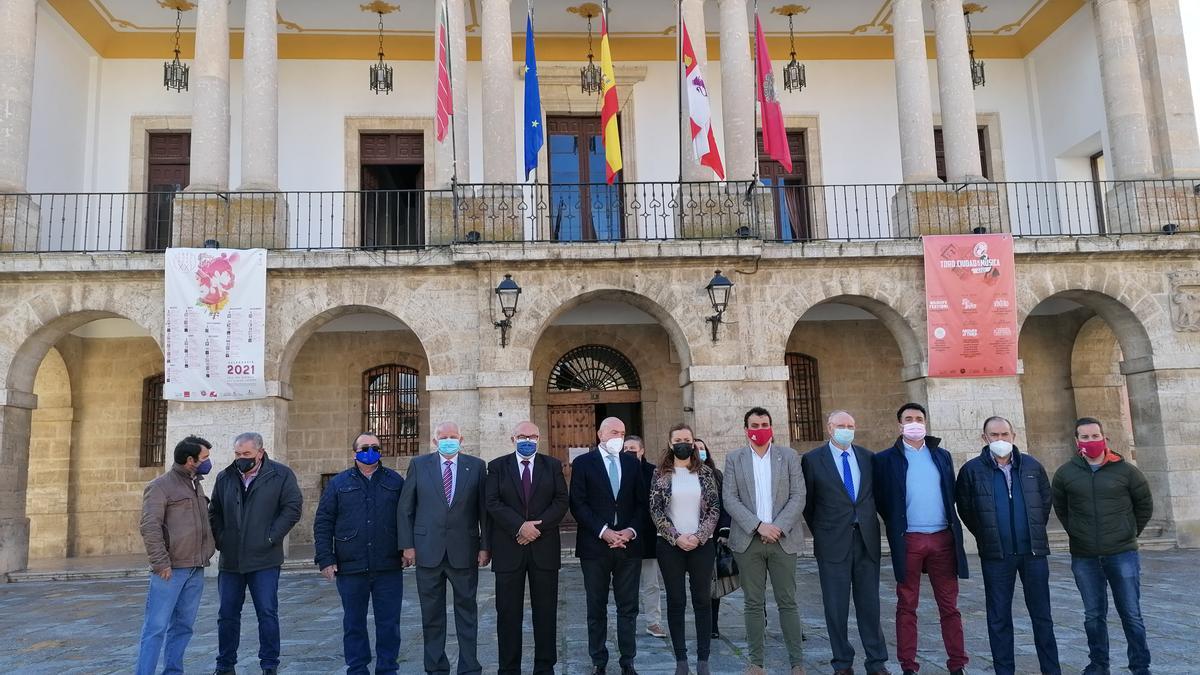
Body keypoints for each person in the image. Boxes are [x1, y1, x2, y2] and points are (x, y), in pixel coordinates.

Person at [955, 416, 1060, 675]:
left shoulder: (1032, 467)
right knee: (999, 617)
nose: (1000, 439)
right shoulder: (972, 470)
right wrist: (987, 535)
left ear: (1014, 436)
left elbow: (1044, 503)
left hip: (1033, 554)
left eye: (1004, 434)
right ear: (984, 438)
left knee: (1042, 616)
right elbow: (966, 509)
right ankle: (1004, 670)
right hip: (997, 555)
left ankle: (1051, 669)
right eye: (994, 435)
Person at [1052, 417, 1153, 675]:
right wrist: (1077, 533)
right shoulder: (1066, 473)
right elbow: (1062, 509)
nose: (1091, 441)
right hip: (1084, 556)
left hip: (1122, 554)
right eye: (1084, 437)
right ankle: (1098, 665)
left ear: (1104, 438)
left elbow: (1144, 505)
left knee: (1131, 614)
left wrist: (1128, 533)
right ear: (1077, 442)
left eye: (1095, 436)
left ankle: (1140, 666)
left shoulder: (1126, 471)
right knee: (1093, 616)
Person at [873, 403, 969, 675]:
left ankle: (957, 664)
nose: (914, 423)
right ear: (899, 425)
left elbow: (951, 493)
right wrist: (897, 524)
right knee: (906, 605)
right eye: (908, 419)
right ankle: (908, 666)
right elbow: (882, 499)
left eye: (919, 418)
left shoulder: (942, 455)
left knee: (949, 606)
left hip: (942, 539)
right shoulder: (884, 459)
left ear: (926, 423)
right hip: (909, 539)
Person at [398, 421, 490, 675]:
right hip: (427, 551)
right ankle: (436, 667)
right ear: (435, 440)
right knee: (432, 615)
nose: (448, 440)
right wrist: (407, 545)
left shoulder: (477, 466)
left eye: (453, 436)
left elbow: (484, 510)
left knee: (467, 613)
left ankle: (469, 667)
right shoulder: (419, 465)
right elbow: (406, 507)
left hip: (465, 550)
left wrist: (485, 546)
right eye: (443, 436)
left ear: (461, 440)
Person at [802, 411, 889, 675]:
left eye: (850, 426)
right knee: (836, 607)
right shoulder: (813, 460)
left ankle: (876, 662)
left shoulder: (868, 457)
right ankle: (842, 662)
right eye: (841, 425)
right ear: (829, 428)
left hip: (866, 541)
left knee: (870, 606)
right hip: (832, 542)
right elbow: (808, 504)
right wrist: (824, 529)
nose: (846, 430)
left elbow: (876, 495)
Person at [210, 432, 303, 675]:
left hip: (265, 559)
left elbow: (292, 509)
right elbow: (214, 512)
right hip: (231, 560)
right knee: (227, 615)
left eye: (247, 454)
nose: (241, 458)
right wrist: (222, 539)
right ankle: (225, 664)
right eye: (238, 454)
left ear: (260, 453)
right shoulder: (225, 477)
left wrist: (271, 537)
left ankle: (269, 664)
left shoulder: (281, 475)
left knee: (267, 613)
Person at [723, 407, 806, 675]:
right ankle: (756, 663)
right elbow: (730, 499)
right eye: (754, 424)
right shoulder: (734, 458)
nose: (760, 428)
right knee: (753, 603)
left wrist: (778, 527)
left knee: (788, 601)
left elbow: (798, 495)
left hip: (783, 539)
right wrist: (758, 526)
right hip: (749, 541)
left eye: (765, 423)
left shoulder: (789, 456)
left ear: (772, 426)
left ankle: (797, 663)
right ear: (746, 428)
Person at [313, 432, 406, 675]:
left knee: (389, 624)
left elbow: (407, 517)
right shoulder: (339, 483)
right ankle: (357, 669)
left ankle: (387, 669)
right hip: (351, 566)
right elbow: (323, 521)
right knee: (354, 624)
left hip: (388, 566)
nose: (370, 451)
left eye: (375, 447)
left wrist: (408, 547)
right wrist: (325, 558)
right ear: (354, 451)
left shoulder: (395, 481)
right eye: (365, 447)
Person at [484, 421, 569, 675]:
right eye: (522, 435)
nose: (527, 440)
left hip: (544, 551)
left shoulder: (551, 465)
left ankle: (545, 668)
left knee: (546, 614)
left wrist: (535, 529)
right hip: (509, 550)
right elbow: (492, 502)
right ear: (513, 438)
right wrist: (520, 527)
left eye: (532, 436)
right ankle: (508, 669)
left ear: (539, 438)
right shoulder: (497, 466)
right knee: (508, 615)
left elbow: (561, 500)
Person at [569, 416, 645, 675]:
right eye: (614, 431)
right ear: (600, 434)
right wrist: (604, 532)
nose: (619, 436)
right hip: (595, 547)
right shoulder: (583, 464)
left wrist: (630, 531)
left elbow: (641, 503)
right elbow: (578, 504)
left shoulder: (632, 463)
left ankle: (628, 661)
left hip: (628, 546)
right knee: (596, 607)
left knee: (629, 608)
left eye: (623, 432)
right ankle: (598, 660)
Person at [136, 435, 216, 675]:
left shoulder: (196, 484)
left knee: (183, 627)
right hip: (170, 570)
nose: (208, 462)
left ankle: (173, 671)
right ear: (190, 460)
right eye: (204, 458)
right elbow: (149, 526)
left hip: (196, 568)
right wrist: (161, 563)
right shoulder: (160, 486)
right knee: (156, 628)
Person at [649, 424, 721, 675]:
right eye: (677, 439)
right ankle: (681, 660)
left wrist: (699, 536)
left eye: (687, 439)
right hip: (670, 546)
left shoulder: (705, 473)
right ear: (670, 444)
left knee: (702, 600)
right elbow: (655, 509)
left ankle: (703, 660)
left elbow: (714, 508)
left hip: (702, 546)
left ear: (693, 443)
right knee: (676, 601)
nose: (683, 443)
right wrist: (676, 537)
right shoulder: (660, 473)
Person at [624, 434, 666, 639]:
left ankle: (653, 622)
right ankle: (627, 622)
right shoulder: (618, 469)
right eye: (626, 448)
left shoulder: (654, 472)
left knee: (651, 583)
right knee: (626, 584)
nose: (629, 451)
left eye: (633, 448)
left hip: (647, 534)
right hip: (624, 535)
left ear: (642, 450)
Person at [695, 438, 731, 640]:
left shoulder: (716, 475)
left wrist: (724, 530)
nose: (699, 451)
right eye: (695, 448)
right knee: (698, 584)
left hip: (713, 536)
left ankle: (712, 625)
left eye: (702, 448)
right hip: (690, 535)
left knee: (712, 583)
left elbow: (725, 503)